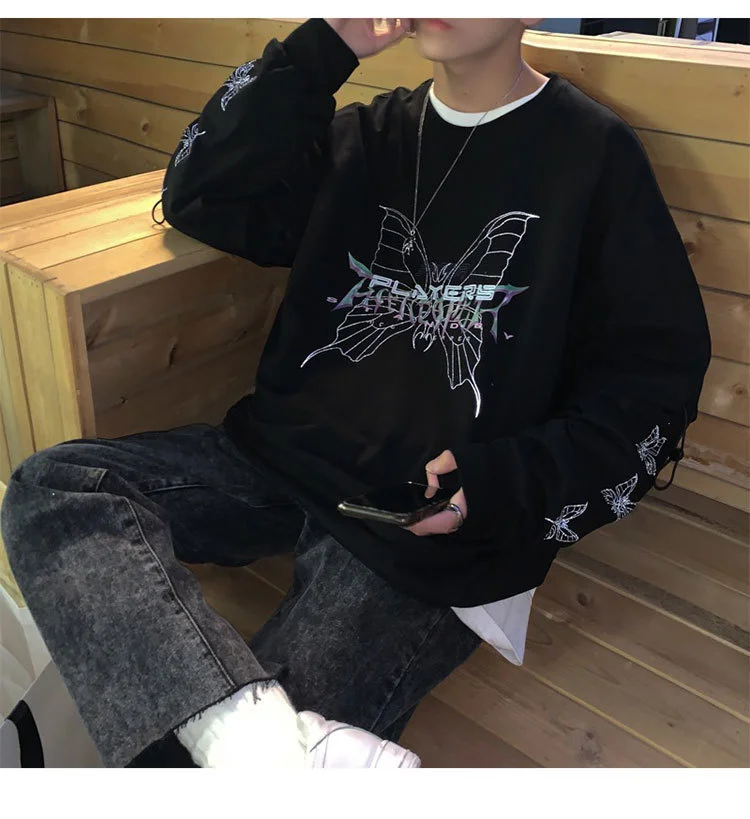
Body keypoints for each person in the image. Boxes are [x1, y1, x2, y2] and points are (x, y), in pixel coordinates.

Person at [1, 18, 710, 768]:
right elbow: (199, 192)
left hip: (426, 527)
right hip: (279, 459)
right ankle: (246, 739)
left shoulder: (592, 156)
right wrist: (321, 50)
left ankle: (237, 745)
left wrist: (499, 484)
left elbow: (653, 389)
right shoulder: (365, 134)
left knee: (211, 759)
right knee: (55, 488)